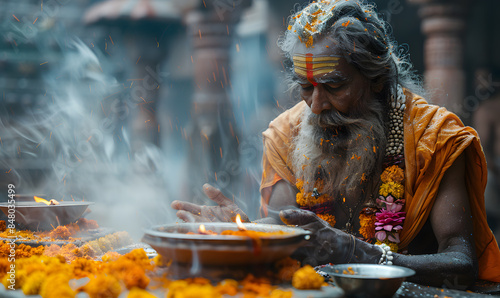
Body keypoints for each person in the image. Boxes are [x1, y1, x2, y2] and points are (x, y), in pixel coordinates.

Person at [172, 0, 500, 287]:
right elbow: (283, 223)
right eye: (305, 87)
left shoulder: (435, 138)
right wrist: (242, 229)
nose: (316, 106)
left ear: (377, 79)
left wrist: (362, 255)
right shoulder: (286, 133)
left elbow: (461, 263)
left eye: (334, 85)